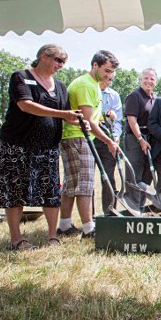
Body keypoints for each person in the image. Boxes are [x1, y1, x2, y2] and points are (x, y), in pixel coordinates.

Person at [0, 44, 81, 250]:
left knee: (50, 192)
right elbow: (26, 105)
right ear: (43, 56)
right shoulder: (20, 77)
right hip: (18, 145)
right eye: (58, 60)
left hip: (48, 147)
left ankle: (52, 237)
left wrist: (82, 120)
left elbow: (67, 115)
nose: (61, 65)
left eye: (63, 62)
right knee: (15, 190)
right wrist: (63, 115)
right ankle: (16, 240)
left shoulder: (59, 86)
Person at [58, 50, 119, 239]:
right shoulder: (86, 85)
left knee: (70, 185)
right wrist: (108, 141)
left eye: (111, 73)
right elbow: (88, 122)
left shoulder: (92, 84)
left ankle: (65, 225)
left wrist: (105, 117)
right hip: (78, 137)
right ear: (95, 65)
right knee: (85, 185)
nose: (109, 76)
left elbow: (94, 117)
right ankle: (89, 229)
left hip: (76, 137)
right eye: (106, 71)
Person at [124, 68, 157, 209]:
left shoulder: (154, 98)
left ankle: (141, 208)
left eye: (152, 79)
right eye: (146, 78)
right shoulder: (135, 96)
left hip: (150, 138)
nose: (149, 81)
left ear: (156, 81)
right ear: (141, 79)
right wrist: (140, 139)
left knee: (146, 175)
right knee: (134, 174)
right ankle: (133, 208)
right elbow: (132, 120)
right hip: (135, 139)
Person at [94, 72, 123, 214]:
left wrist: (116, 135)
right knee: (88, 181)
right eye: (106, 78)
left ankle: (109, 213)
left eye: (111, 79)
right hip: (91, 139)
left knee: (108, 177)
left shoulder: (114, 96)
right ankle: (91, 218)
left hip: (108, 142)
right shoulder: (91, 90)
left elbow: (117, 121)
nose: (108, 82)